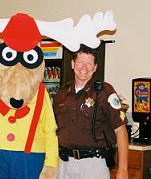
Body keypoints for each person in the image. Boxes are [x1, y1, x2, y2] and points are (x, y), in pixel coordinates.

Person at [53, 45, 129, 179]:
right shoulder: (62, 93)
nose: (84, 68)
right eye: (80, 62)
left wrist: (123, 169)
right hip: (63, 164)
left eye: (89, 64)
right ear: (73, 64)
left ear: (95, 67)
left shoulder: (105, 92)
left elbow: (121, 130)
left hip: (93, 165)